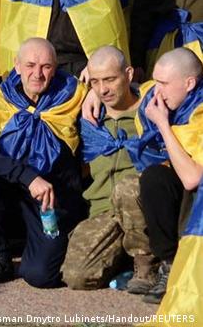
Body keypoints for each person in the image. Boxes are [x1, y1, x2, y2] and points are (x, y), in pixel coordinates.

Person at [0, 38, 85, 288]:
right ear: (17, 66)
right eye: (30, 65)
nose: (37, 74)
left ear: (56, 68)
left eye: (46, 67)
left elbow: (117, 89)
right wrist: (27, 177)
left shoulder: (75, 95)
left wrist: (94, 90)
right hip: (13, 188)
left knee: (40, 276)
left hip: (52, 199)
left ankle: (47, 245)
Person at [61, 46, 153, 292]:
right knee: (77, 277)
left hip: (143, 207)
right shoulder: (88, 117)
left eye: (110, 79)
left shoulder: (152, 108)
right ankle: (121, 260)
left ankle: (147, 265)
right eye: (96, 82)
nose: (103, 90)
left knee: (128, 187)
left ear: (129, 74)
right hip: (104, 211)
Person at [127, 48, 203, 305]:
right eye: (156, 81)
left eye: (164, 83)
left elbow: (192, 177)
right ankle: (168, 263)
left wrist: (162, 124)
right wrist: (92, 93)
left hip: (197, 184)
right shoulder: (159, 94)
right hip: (181, 177)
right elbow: (131, 86)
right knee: (153, 179)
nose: (157, 91)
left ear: (189, 83)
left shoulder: (199, 110)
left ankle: (187, 267)